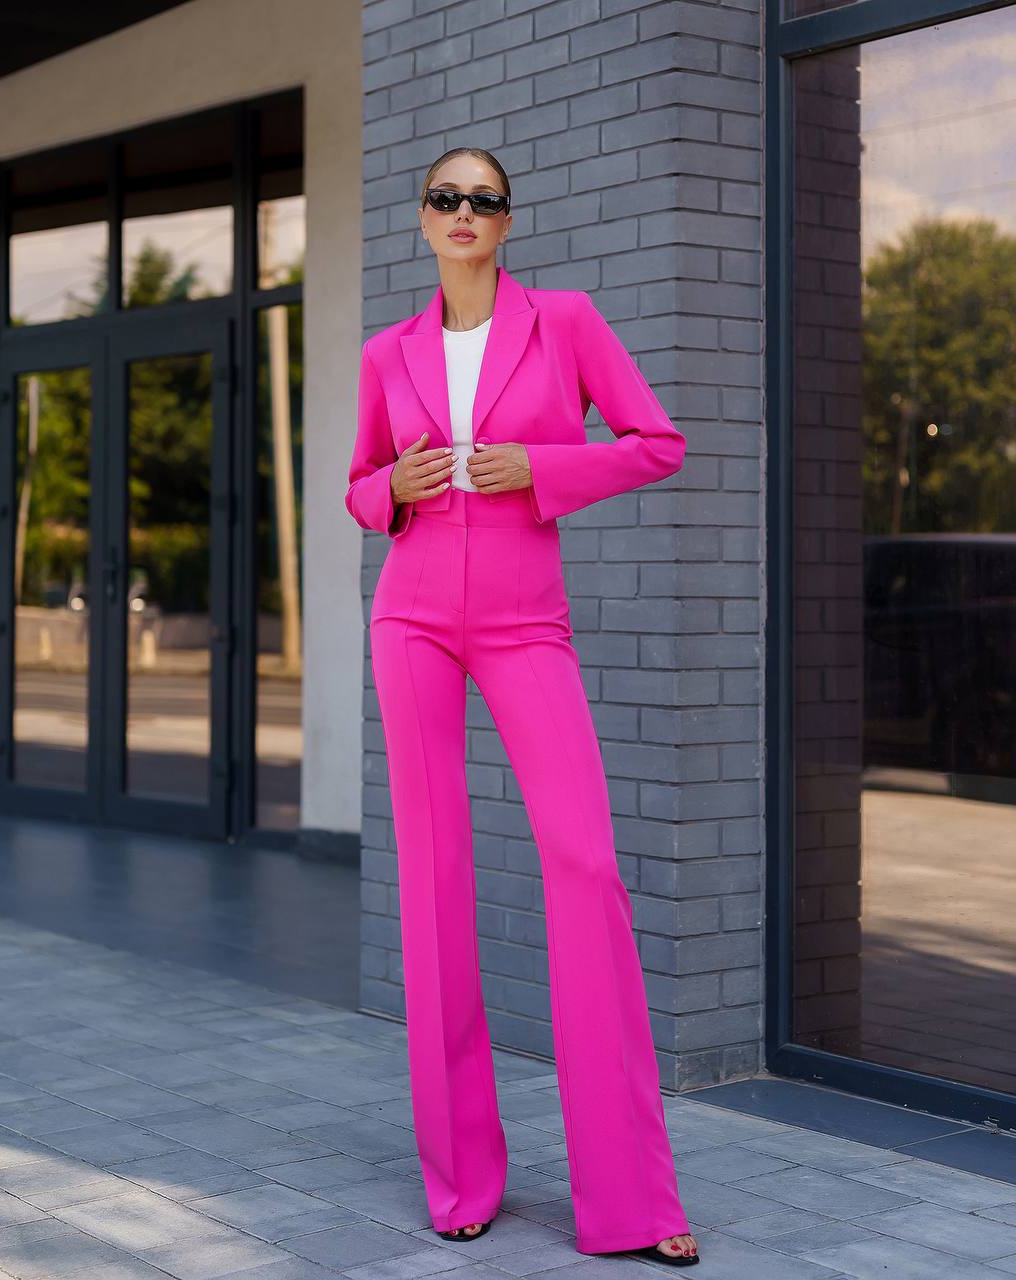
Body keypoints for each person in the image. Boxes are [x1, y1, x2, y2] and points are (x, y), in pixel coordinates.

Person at [344, 146, 700, 1267]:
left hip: (522, 620)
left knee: (583, 863)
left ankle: (634, 1201)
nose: (463, 212)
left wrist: (540, 468)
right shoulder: (387, 352)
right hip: (410, 615)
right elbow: (359, 485)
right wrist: (389, 489)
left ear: (507, 222)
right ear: (422, 219)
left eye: (483, 200)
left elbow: (656, 442)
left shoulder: (567, 322)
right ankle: (461, 1178)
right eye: (445, 198)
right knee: (433, 881)